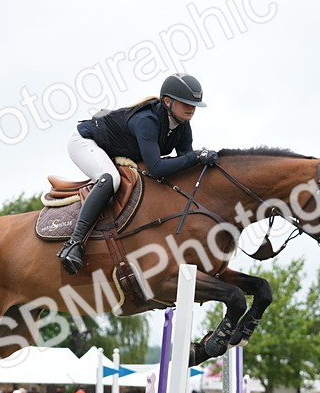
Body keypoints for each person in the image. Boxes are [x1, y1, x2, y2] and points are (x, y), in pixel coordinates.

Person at [58, 73, 216, 274]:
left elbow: (186, 163)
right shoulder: (147, 121)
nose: (192, 108)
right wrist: (196, 156)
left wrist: (204, 161)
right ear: (167, 101)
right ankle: (74, 243)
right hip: (85, 141)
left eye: (194, 104)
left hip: (116, 150)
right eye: (186, 103)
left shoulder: (182, 126)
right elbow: (157, 168)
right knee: (110, 179)